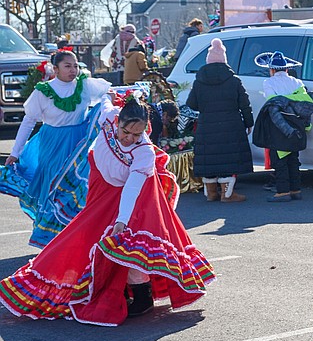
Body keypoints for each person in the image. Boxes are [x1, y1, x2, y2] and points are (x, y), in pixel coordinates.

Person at [0, 96, 215, 325]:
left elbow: (132, 188)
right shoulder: (109, 116)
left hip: (133, 199)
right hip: (100, 193)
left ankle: (142, 295)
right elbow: (100, 95)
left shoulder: (143, 153)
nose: (130, 138)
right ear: (118, 121)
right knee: (84, 240)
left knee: (130, 242)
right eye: (126, 131)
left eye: (137, 134)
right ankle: (111, 288)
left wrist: (122, 220)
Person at [0, 50, 112, 247]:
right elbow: (28, 122)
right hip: (51, 145)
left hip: (78, 144)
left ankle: (71, 235)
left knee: (74, 188)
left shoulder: (85, 85)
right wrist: (15, 152)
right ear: (55, 68)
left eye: (75, 65)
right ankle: (50, 236)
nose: (73, 70)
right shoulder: (43, 92)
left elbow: (107, 97)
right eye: (67, 66)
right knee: (51, 187)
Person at [187, 38, 254, 203]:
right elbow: (244, 104)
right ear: (224, 60)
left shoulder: (199, 82)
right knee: (228, 157)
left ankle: (211, 193)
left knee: (210, 158)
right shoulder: (233, 80)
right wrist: (249, 122)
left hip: (206, 125)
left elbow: (191, 104)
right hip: (231, 124)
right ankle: (227, 194)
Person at [251, 51, 313, 203]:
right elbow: (304, 104)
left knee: (279, 161)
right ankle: (296, 190)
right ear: (286, 69)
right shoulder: (297, 82)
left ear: (272, 70)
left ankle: (282, 192)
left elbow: (272, 102)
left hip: (279, 127)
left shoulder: (269, 83)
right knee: (293, 160)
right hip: (297, 126)